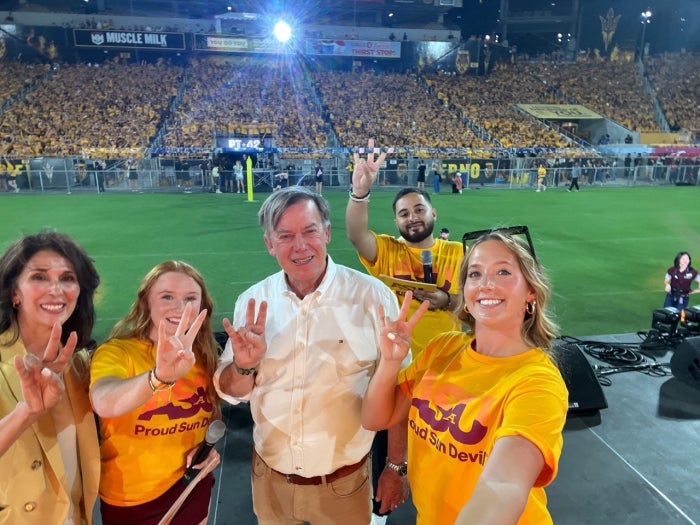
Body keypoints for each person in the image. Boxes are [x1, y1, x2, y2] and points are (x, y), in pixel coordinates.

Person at [214, 186, 407, 525]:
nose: (300, 245)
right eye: (285, 236)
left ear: (328, 233)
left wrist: (395, 467)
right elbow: (231, 392)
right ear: (269, 245)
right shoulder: (253, 301)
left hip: (344, 485)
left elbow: (400, 392)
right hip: (270, 481)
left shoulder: (373, 298)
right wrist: (244, 366)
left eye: (310, 231)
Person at [362, 229, 568, 525]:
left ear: (531, 292)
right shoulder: (443, 347)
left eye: (503, 272)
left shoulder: (537, 382)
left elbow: (503, 485)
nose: (486, 284)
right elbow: (374, 419)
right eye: (475, 274)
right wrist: (390, 362)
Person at [347, 139, 463, 523]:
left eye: (418, 209)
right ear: (396, 221)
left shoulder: (459, 254)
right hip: (396, 368)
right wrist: (360, 191)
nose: (412, 217)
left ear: (433, 212)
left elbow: (475, 306)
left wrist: (445, 300)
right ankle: (379, 514)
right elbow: (355, 234)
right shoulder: (387, 250)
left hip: (447, 369)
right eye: (403, 213)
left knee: (444, 449)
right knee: (389, 450)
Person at [89, 261, 220, 525]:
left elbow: (207, 413)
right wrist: (158, 377)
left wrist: (208, 449)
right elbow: (104, 401)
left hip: (191, 488)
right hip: (132, 500)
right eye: (167, 297)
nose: (180, 308)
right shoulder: (118, 352)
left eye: (190, 298)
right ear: (146, 302)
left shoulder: (203, 357)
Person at [0, 230, 101, 524]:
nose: (56, 289)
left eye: (68, 278)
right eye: (39, 277)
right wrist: (26, 412)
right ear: (14, 293)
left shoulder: (79, 364)